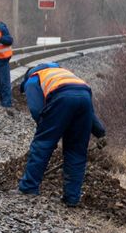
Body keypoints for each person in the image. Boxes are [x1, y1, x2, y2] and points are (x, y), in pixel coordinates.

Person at [17, 62, 107, 207]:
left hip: (61, 98)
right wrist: (100, 132)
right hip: (84, 96)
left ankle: (28, 188)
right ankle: (72, 198)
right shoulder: (64, 74)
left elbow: (36, 109)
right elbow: (89, 111)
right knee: (76, 151)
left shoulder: (33, 78)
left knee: (42, 145)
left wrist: (46, 131)